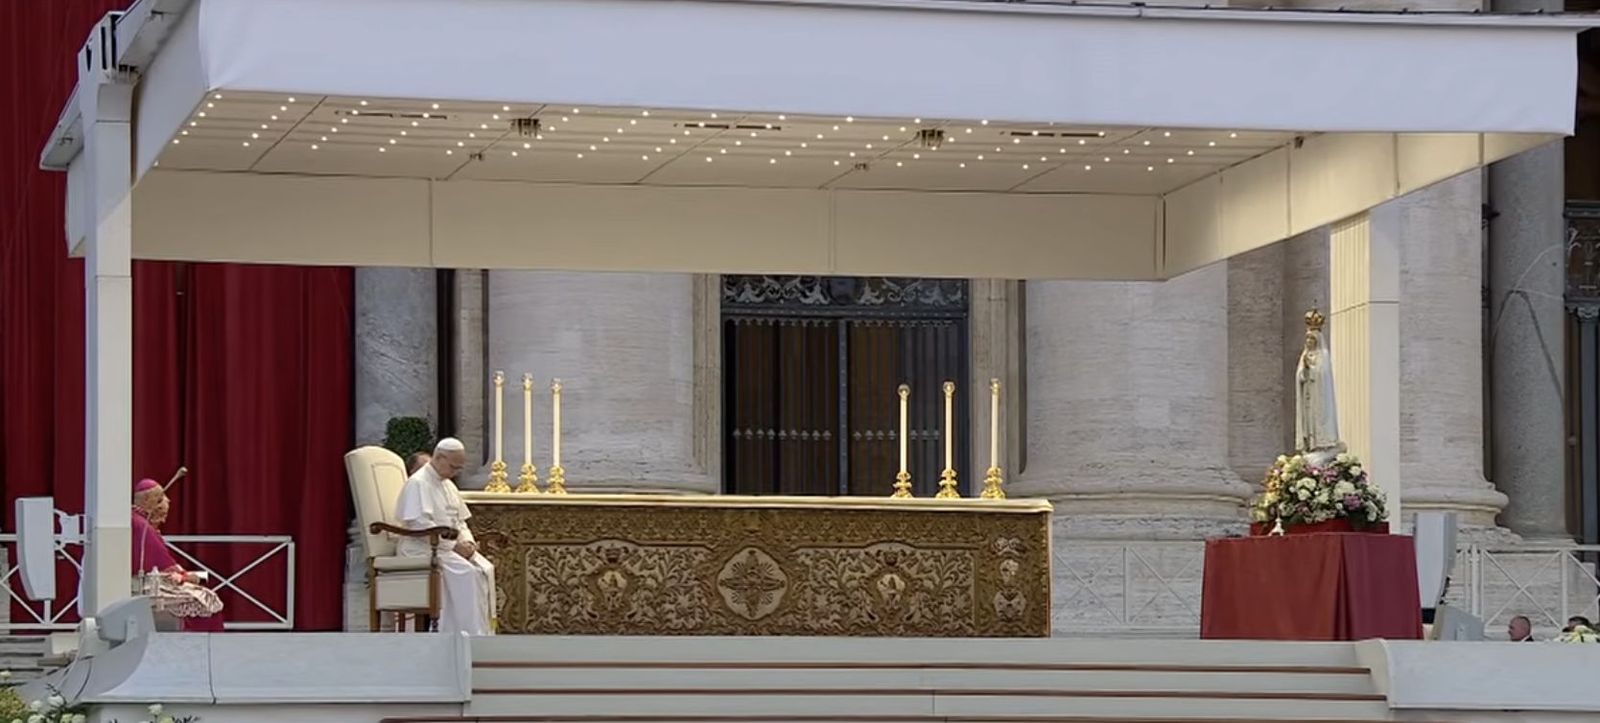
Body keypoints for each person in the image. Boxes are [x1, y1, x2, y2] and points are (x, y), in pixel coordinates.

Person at [394, 438, 496, 636]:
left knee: (484, 568)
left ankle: (480, 634)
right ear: (439, 457)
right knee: (465, 572)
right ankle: (455, 635)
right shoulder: (418, 483)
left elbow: (460, 522)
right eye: (452, 466)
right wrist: (453, 546)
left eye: (459, 468)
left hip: (444, 547)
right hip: (421, 548)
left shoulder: (448, 485)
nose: (455, 472)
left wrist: (467, 541)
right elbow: (419, 524)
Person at [132, 478, 225, 632]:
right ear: (151, 503)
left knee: (203, 582)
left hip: (154, 581)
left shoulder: (140, 522)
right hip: (149, 586)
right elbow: (169, 572)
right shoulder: (142, 526)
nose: (168, 502)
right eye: (162, 499)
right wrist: (196, 576)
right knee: (207, 600)